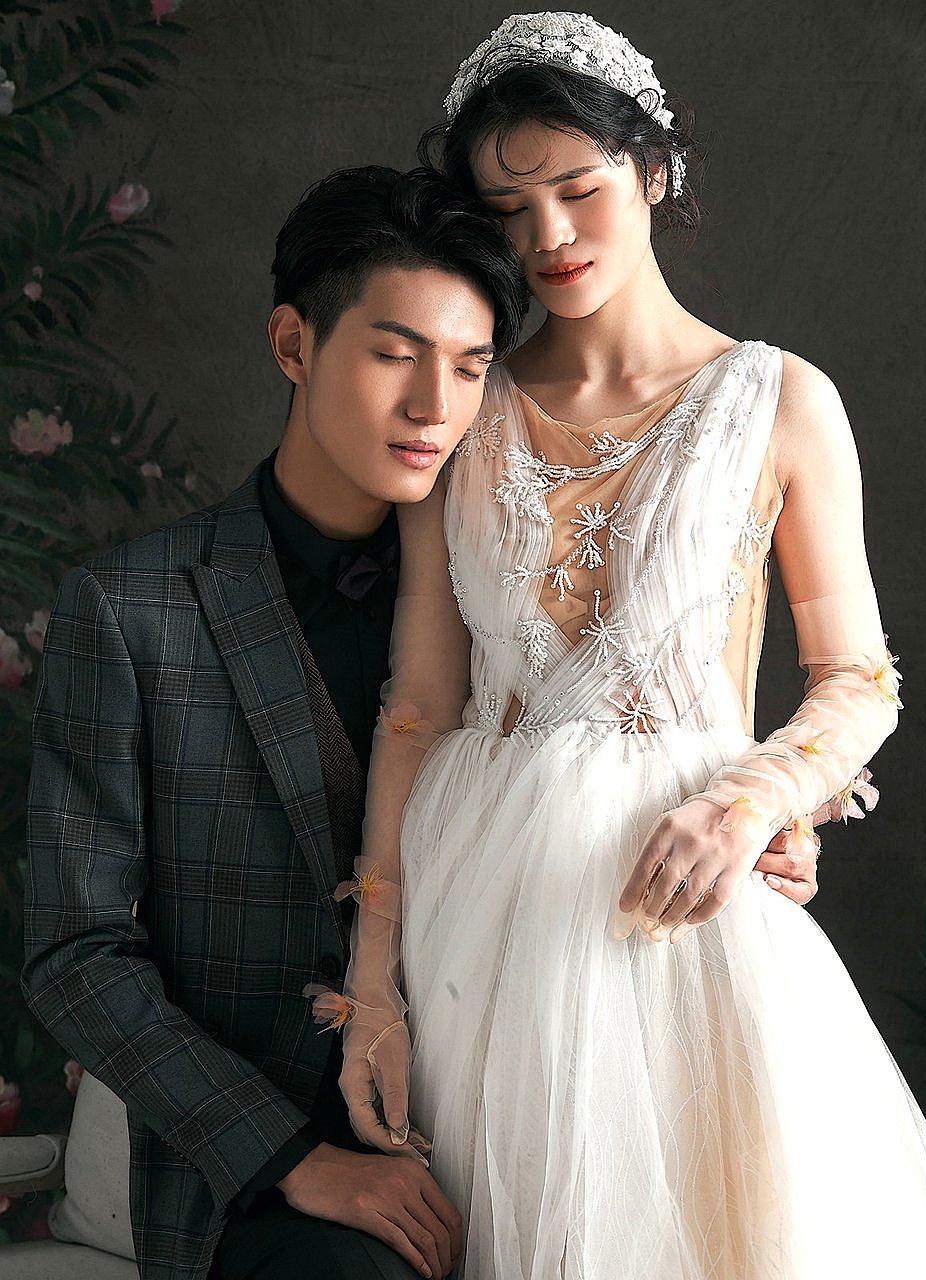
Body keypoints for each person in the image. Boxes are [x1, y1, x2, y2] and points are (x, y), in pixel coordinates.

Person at [334, 14, 926, 1278]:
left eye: (580, 189)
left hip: (684, 899)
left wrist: (752, 803)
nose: (549, 236)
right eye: (508, 209)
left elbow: (858, 679)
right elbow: (420, 705)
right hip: (480, 918)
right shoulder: (465, 409)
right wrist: (374, 989)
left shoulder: (779, 399)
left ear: (656, 171)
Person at [21, 164, 529, 1280]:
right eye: (394, 353)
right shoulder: (133, 607)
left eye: (469, 367)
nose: (434, 406)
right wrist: (293, 1157)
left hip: (510, 1120)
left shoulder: (506, 602)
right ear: (294, 344)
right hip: (264, 1174)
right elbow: (75, 953)